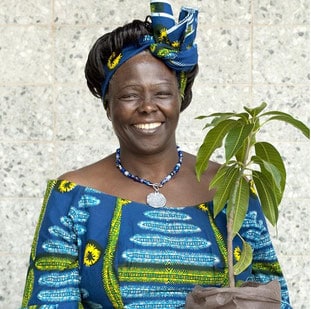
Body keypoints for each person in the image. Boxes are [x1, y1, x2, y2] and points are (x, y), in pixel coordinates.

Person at [21, 1, 291, 308]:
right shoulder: (71, 195)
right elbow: (48, 301)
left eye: (162, 93)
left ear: (180, 99)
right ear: (108, 105)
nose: (148, 106)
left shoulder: (231, 189)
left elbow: (276, 296)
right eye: (130, 95)